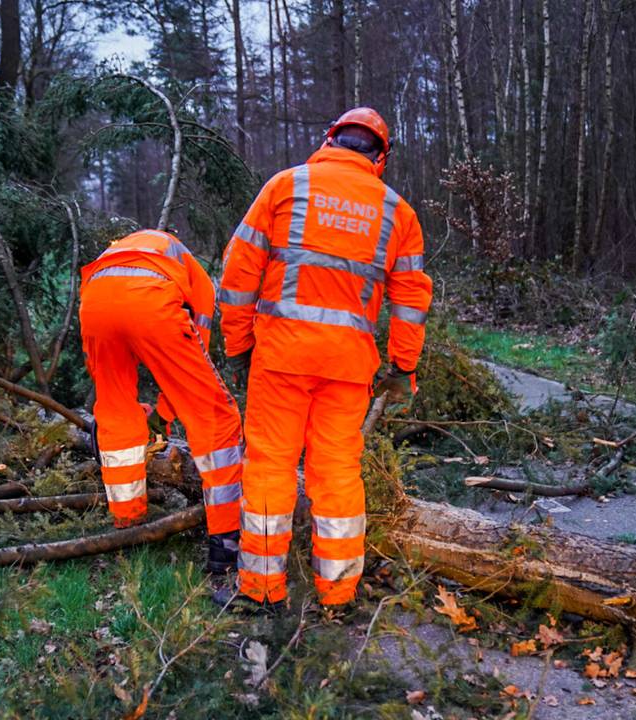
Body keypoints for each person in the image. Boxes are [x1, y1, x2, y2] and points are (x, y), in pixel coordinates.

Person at [217, 108, 433, 608]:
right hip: (348, 366)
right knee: (337, 470)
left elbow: (238, 272)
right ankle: (337, 592)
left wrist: (238, 344)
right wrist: (403, 367)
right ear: (381, 155)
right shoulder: (397, 212)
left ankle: (261, 589)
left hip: (281, 356)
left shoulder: (285, 187)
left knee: (270, 465)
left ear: (330, 139)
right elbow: (411, 301)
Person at [79, 228, 243, 573]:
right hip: (148, 299)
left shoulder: (124, 252)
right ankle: (226, 541)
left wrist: (157, 417)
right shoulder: (198, 279)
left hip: (94, 301)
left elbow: (98, 366)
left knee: (114, 408)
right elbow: (193, 369)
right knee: (215, 413)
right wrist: (167, 412)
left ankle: (127, 519)